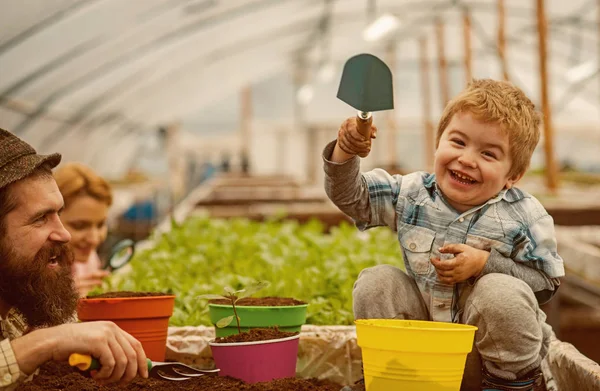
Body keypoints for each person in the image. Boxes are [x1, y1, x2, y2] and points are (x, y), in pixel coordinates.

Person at [324, 79, 564, 391]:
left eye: (488, 154)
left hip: (489, 362)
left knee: (498, 291)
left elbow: (547, 283)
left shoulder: (526, 216)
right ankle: (393, 380)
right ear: (438, 143)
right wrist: (346, 149)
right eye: (458, 142)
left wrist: (485, 264)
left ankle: (515, 386)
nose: (467, 159)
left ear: (512, 176)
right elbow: (353, 197)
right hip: (425, 357)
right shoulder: (412, 194)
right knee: (377, 282)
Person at [0, 128, 148, 390]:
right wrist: (48, 342)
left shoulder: (23, 298)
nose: (64, 233)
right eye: (40, 218)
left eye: (59, 213)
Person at [53, 163, 112, 297]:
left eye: (100, 225)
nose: (94, 238)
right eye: (79, 226)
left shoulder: (89, 258)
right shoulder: (31, 271)